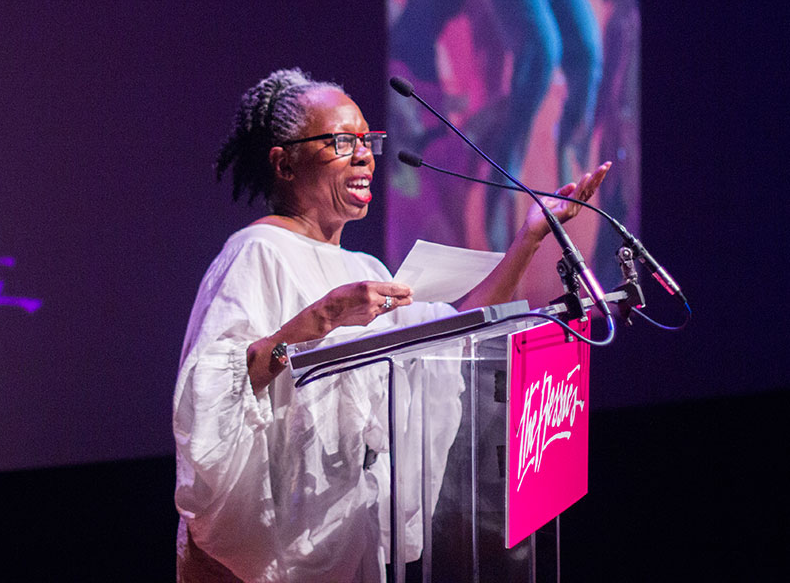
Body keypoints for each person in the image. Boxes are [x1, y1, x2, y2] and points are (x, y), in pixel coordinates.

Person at [173, 68, 609, 582]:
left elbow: (455, 335)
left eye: (366, 141)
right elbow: (216, 395)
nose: (363, 156)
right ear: (284, 163)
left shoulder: (364, 270)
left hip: (340, 542)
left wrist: (529, 239)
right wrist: (324, 315)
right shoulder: (255, 253)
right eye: (340, 141)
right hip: (256, 563)